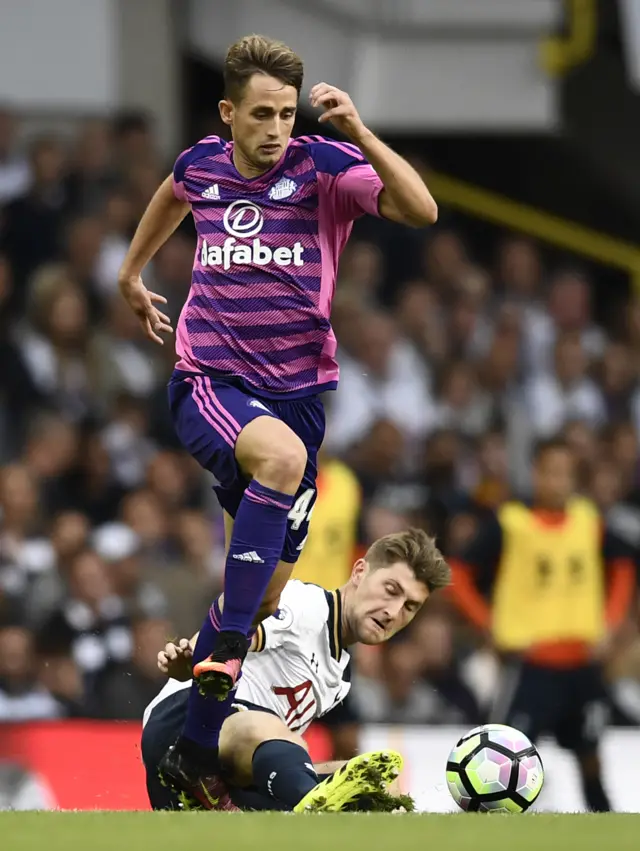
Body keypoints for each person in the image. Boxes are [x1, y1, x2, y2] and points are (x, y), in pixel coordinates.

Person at [119, 32, 437, 786]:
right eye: (261, 114)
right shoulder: (202, 164)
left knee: (258, 599)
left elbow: (420, 209)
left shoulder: (322, 168)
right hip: (211, 384)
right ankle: (221, 660)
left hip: (297, 399)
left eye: (288, 114)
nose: (276, 130)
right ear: (229, 113)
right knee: (283, 464)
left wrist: (356, 130)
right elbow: (172, 192)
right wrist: (133, 273)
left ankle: (194, 750)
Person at [141, 528, 450, 812]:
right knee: (273, 732)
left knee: (380, 783)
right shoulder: (305, 605)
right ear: (359, 572)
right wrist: (196, 655)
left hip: (226, 778)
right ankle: (313, 808)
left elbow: (271, 756)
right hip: (182, 733)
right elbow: (233, 631)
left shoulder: (339, 677)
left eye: (410, 606)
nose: (394, 611)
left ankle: (312, 804)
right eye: (391, 589)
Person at [449, 437, 636, 812]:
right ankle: (481, 833)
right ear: (535, 474)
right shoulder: (511, 523)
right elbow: (459, 572)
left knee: (590, 757)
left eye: (565, 474)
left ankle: (605, 830)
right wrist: (489, 626)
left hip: (582, 663)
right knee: (502, 759)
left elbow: (623, 564)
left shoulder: (588, 521)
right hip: (529, 664)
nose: (557, 481)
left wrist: (611, 622)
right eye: (550, 472)